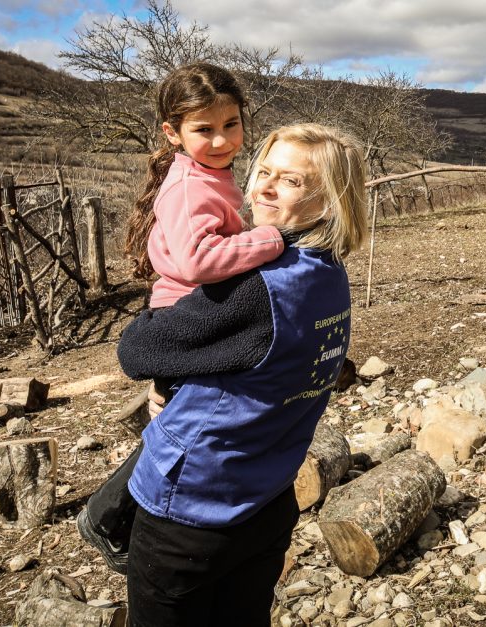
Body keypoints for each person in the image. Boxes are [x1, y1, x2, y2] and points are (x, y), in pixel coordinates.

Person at [117, 123, 368, 626]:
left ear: (330, 200)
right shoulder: (328, 274)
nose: (265, 189)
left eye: (292, 181)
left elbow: (138, 351)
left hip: (191, 510)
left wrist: (172, 292)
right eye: (264, 173)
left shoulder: (256, 289)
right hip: (269, 497)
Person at [77, 62, 284, 574]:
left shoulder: (209, 173)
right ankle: (111, 517)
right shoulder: (192, 186)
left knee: (177, 424)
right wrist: (271, 240)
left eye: (230, 124)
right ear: (172, 133)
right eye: (203, 129)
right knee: (181, 431)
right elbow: (196, 261)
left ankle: (122, 516)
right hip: (189, 322)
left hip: (200, 316)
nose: (221, 139)